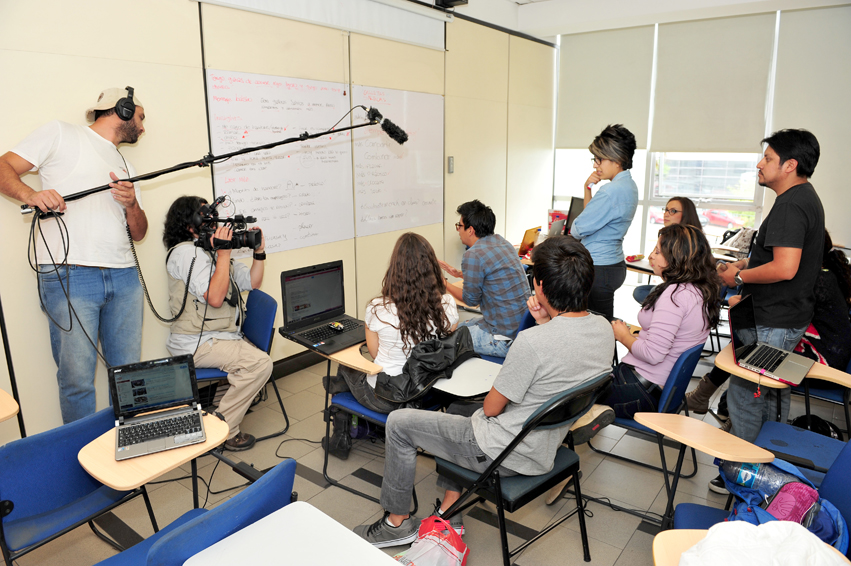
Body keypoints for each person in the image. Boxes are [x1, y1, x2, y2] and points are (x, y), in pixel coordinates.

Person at [353, 236, 614, 548]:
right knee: (460, 408)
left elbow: (491, 408)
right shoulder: (604, 328)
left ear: (540, 285)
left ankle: (396, 523)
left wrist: (540, 327)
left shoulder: (532, 343)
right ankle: (449, 511)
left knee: (399, 423)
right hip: (546, 445)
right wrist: (545, 321)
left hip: (504, 452)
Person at [0, 87, 148, 423]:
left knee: (129, 376)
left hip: (125, 276)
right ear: (123, 109)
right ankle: (82, 454)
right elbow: (3, 166)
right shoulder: (61, 133)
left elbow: (139, 233)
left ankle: (129, 446)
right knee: (77, 380)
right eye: (140, 117)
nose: (142, 128)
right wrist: (31, 194)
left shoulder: (127, 164)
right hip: (71, 275)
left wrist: (132, 204)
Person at [688, 230, 851, 433]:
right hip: (823, 351)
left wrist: (739, 298)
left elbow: (767, 311)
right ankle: (723, 407)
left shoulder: (815, 282)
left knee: (754, 345)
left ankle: (723, 407)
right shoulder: (819, 273)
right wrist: (746, 266)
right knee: (751, 344)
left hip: (824, 364)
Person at [324, 233, 459, 459]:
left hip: (387, 399)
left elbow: (375, 354)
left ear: (394, 269)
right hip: (427, 394)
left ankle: (341, 434)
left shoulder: (378, 308)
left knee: (346, 365)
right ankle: (360, 424)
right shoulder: (446, 304)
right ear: (431, 268)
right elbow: (445, 343)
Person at [163, 196, 270, 452]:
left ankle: (220, 411)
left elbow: (252, 282)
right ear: (189, 225)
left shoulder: (208, 251)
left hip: (219, 336)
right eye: (205, 216)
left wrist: (259, 252)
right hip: (196, 343)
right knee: (260, 364)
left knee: (250, 361)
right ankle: (222, 429)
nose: (212, 221)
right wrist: (223, 254)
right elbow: (214, 297)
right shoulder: (186, 253)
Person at [604, 224, 720, 419]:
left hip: (640, 390)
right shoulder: (699, 289)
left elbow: (653, 354)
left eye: (658, 251)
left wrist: (623, 336)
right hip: (656, 388)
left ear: (677, 257)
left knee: (570, 391)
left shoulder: (675, 295)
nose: (652, 256)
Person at [439, 200, 530, 358]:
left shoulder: (473, 254)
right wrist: (461, 274)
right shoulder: (503, 243)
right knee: (459, 326)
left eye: (459, 225)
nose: (458, 230)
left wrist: (443, 283)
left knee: (446, 337)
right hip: (520, 330)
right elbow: (492, 274)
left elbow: (471, 300)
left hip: (502, 339)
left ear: (470, 230)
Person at [570, 124, 639, 321]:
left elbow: (578, 228)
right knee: (602, 324)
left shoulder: (610, 191)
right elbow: (592, 215)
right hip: (613, 264)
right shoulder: (629, 185)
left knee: (598, 328)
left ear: (617, 159)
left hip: (599, 268)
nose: (595, 165)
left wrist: (579, 224)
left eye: (599, 159)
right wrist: (587, 188)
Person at [634, 196, 705, 304]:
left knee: (647, 293)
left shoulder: (690, 241)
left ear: (686, 214)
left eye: (673, 211)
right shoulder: (668, 236)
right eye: (666, 210)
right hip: (673, 285)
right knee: (640, 291)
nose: (666, 214)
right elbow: (651, 258)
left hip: (686, 291)